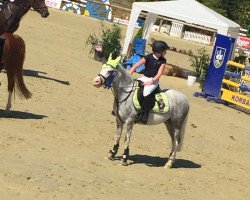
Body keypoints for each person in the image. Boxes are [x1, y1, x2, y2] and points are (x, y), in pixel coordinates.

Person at [128, 40, 170, 124]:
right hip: (144, 77)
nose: (166, 52)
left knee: (146, 91)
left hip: (154, 80)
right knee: (133, 87)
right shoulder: (148, 57)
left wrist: (151, 81)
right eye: (165, 51)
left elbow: (159, 74)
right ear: (160, 51)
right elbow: (136, 66)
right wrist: (128, 75)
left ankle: (145, 115)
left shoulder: (162, 61)